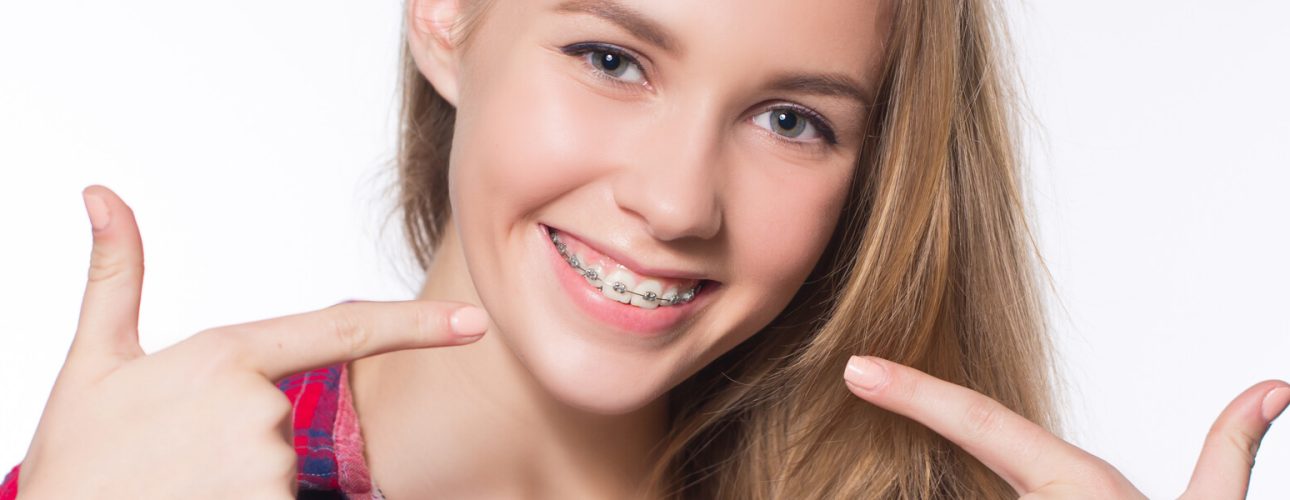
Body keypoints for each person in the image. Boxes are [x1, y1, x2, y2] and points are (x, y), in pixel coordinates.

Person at [3, 0, 1286, 498]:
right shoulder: (130, 478)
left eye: (791, 119)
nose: (678, 202)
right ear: (448, 19)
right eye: (611, 59)